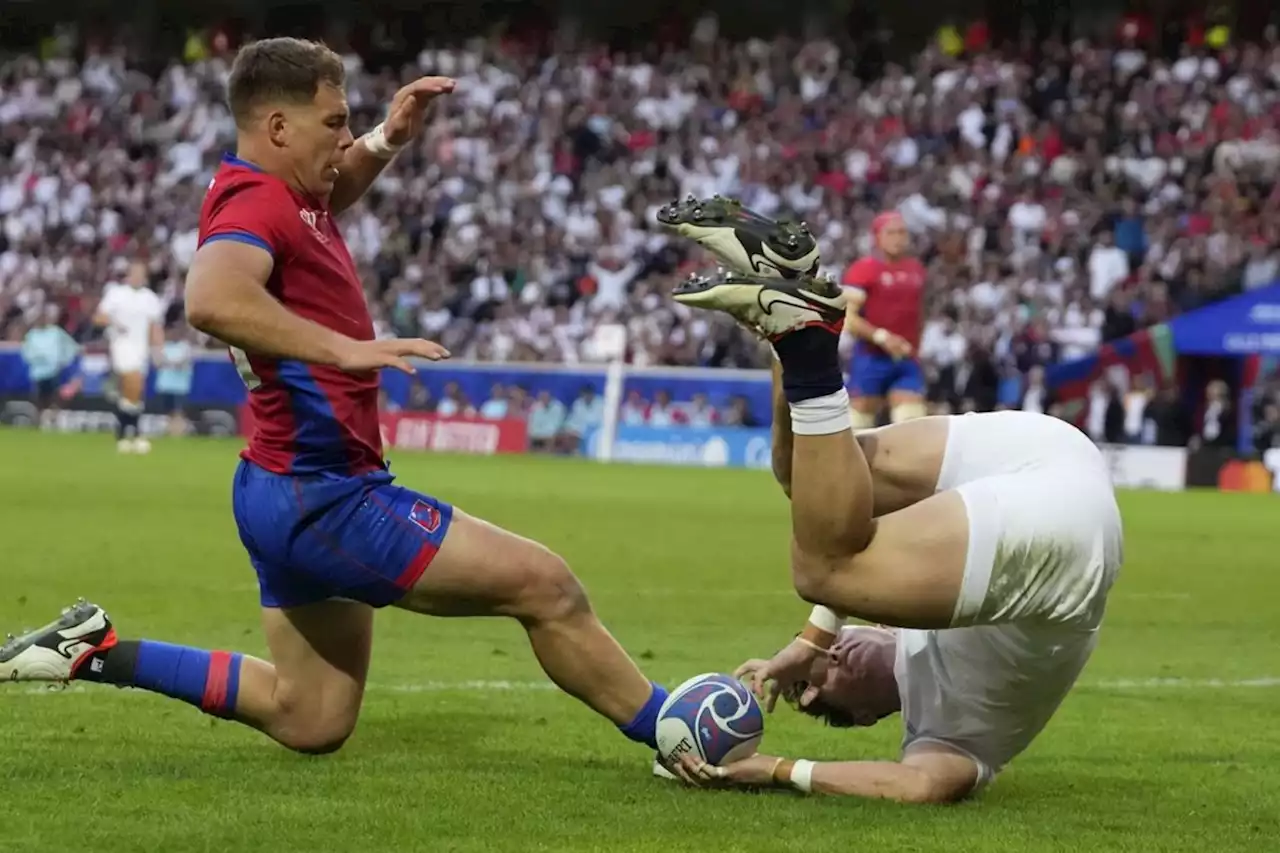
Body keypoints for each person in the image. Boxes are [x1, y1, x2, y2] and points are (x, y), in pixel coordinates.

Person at [1, 37, 669, 758]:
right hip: (324, 495)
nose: (345, 136)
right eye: (334, 121)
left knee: (310, 716)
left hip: (278, 484)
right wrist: (344, 348)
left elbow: (331, 190)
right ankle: (675, 729)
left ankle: (91, 651)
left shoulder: (280, 192)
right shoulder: (258, 201)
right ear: (279, 128)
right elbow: (211, 297)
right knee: (546, 585)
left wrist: (386, 140)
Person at [655, 198, 1123, 802]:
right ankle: (803, 343)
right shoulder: (943, 730)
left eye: (808, 686)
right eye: (826, 703)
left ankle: (789, 307)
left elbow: (852, 582)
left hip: (1050, 454)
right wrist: (773, 768)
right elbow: (919, 785)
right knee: (822, 570)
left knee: (811, 478)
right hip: (1069, 544)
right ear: (871, 716)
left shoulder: (895, 611)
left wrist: (810, 642)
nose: (820, 684)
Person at [840, 212, 928, 428]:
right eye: (891, 233)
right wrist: (882, 337)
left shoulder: (916, 270)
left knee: (911, 422)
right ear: (877, 237)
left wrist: (916, 347)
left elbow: (918, 314)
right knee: (858, 425)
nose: (897, 238)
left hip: (905, 357)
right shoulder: (863, 270)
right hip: (871, 357)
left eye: (902, 232)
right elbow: (848, 318)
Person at [94, 260, 165, 453]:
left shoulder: (150, 298)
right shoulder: (116, 294)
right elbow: (99, 317)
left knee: (134, 392)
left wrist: (158, 350)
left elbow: (154, 326)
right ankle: (136, 433)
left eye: (141, 274)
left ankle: (124, 433)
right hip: (121, 344)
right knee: (131, 382)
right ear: (128, 275)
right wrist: (115, 323)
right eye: (134, 273)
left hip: (141, 347)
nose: (137, 277)